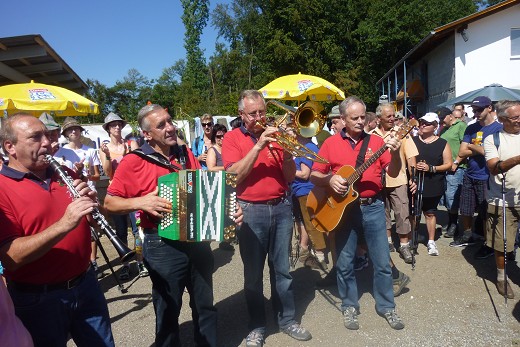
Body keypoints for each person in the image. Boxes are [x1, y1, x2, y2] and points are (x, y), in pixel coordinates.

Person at [104, 104, 242, 347]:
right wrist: (142, 201)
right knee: (168, 309)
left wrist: (228, 210)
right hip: (161, 243)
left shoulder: (184, 153)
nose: (170, 127)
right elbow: (109, 203)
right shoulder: (133, 161)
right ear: (147, 134)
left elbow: (203, 187)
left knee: (205, 305)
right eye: (161, 125)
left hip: (195, 238)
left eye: (169, 121)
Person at [0, 113, 114, 346]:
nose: (47, 142)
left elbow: (92, 223)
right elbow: (10, 257)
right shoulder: (2, 188)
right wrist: (64, 224)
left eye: (47, 135)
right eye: (35, 137)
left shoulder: (66, 173)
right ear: (10, 147)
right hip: (37, 299)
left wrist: (93, 209)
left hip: (86, 284)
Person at [222, 90, 312, 346]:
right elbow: (233, 177)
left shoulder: (277, 135)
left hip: (281, 207)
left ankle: (287, 319)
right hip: (250, 210)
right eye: (253, 113)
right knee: (253, 274)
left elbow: (290, 176)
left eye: (262, 111)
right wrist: (260, 144)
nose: (260, 117)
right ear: (242, 114)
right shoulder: (231, 138)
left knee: (282, 270)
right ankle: (257, 326)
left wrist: (286, 151)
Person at [311, 96, 405, 330]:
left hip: (372, 207)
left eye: (363, 117)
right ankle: (350, 305)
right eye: (355, 118)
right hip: (343, 211)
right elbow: (314, 174)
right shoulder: (330, 144)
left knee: (382, 261)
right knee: (344, 263)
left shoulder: (376, 141)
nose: (361, 121)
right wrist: (330, 179)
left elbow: (393, 171)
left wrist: (394, 152)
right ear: (342, 119)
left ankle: (387, 306)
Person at [451, 96, 503, 257]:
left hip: (487, 177)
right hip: (470, 174)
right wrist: (479, 147)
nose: (476, 113)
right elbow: (461, 152)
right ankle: (468, 235)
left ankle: (489, 244)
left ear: (489, 108)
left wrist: (473, 146)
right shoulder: (470, 128)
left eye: (479, 109)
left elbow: (494, 153)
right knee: (465, 209)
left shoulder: (498, 129)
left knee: (486, 213)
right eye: (474, 110)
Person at [54, 117, 103, 278]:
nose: (73, 131)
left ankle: (93, 260)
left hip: (89, 193)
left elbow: (96, 176)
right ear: (66, 133)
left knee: (93, 229)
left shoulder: (90, 150)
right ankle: (80, 262)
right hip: (69, 196)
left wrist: (84, 174)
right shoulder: (59, 153)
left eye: (76, 128)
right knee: (76, 229)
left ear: (81, 131)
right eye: (69, 129)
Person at [99, 113, 145, 279]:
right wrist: (108, 156)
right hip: (116, 193)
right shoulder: (104, 148)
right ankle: (125, 264)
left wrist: (127, 154)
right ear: (108, 129)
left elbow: (139, 165)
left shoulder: (131, 143)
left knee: (138, 229)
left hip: (133, 192)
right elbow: (108, 172)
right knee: (120, 231)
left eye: (118, 124)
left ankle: (140, 262)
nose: (117, 127)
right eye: (113, 125)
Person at [483, 100, 520, 299]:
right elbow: (494, 167)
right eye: (515, 117)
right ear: (503, 119)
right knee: (502, 243)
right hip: (502, 199)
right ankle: (501, 277)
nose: (519, 120)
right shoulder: (492, 139)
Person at [373, 103, 417, 263]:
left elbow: (411, 157)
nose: (393, 119)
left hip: (398, 179)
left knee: (402, 212)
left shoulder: (402, 133)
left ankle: (404, 245)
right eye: (388, 116)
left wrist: (414, 178)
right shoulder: (371, 135)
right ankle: (388, 241)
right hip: (377, 181)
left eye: (394, 116)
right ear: (378, 119)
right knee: (382, 212)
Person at [286, 126, 328, 270]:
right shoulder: (303, 147)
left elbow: (305, 174)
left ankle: (320, 256)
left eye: (290, 130)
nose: (288, 134)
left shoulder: (307, 148)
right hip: (300, 191)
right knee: (306, 222)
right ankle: (312, 250)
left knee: (312, 223)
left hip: (306, 190)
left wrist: (287, 170)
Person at [412, 113, 453, 256]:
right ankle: (414, 237)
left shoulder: (442, 143)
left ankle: (431, 241)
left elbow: (448, 164)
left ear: (435, 126)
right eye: (421, 121)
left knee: (430, 212)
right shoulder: (412, 140)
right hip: (415, 182)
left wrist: (432, 168)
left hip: (433, 182)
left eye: (427, 123)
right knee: (414, 212)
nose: (422, 124)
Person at [439, 108, 468, 238]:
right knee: (446, 196)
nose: (441, 121)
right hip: (446, 167)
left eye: (443, 118)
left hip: (457, 167)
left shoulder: (461, 126)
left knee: (452, 196)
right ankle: (451, 221)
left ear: (450, 116)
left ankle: (455, 224)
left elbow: (465, 146)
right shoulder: (444, 129)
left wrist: (456, 162)